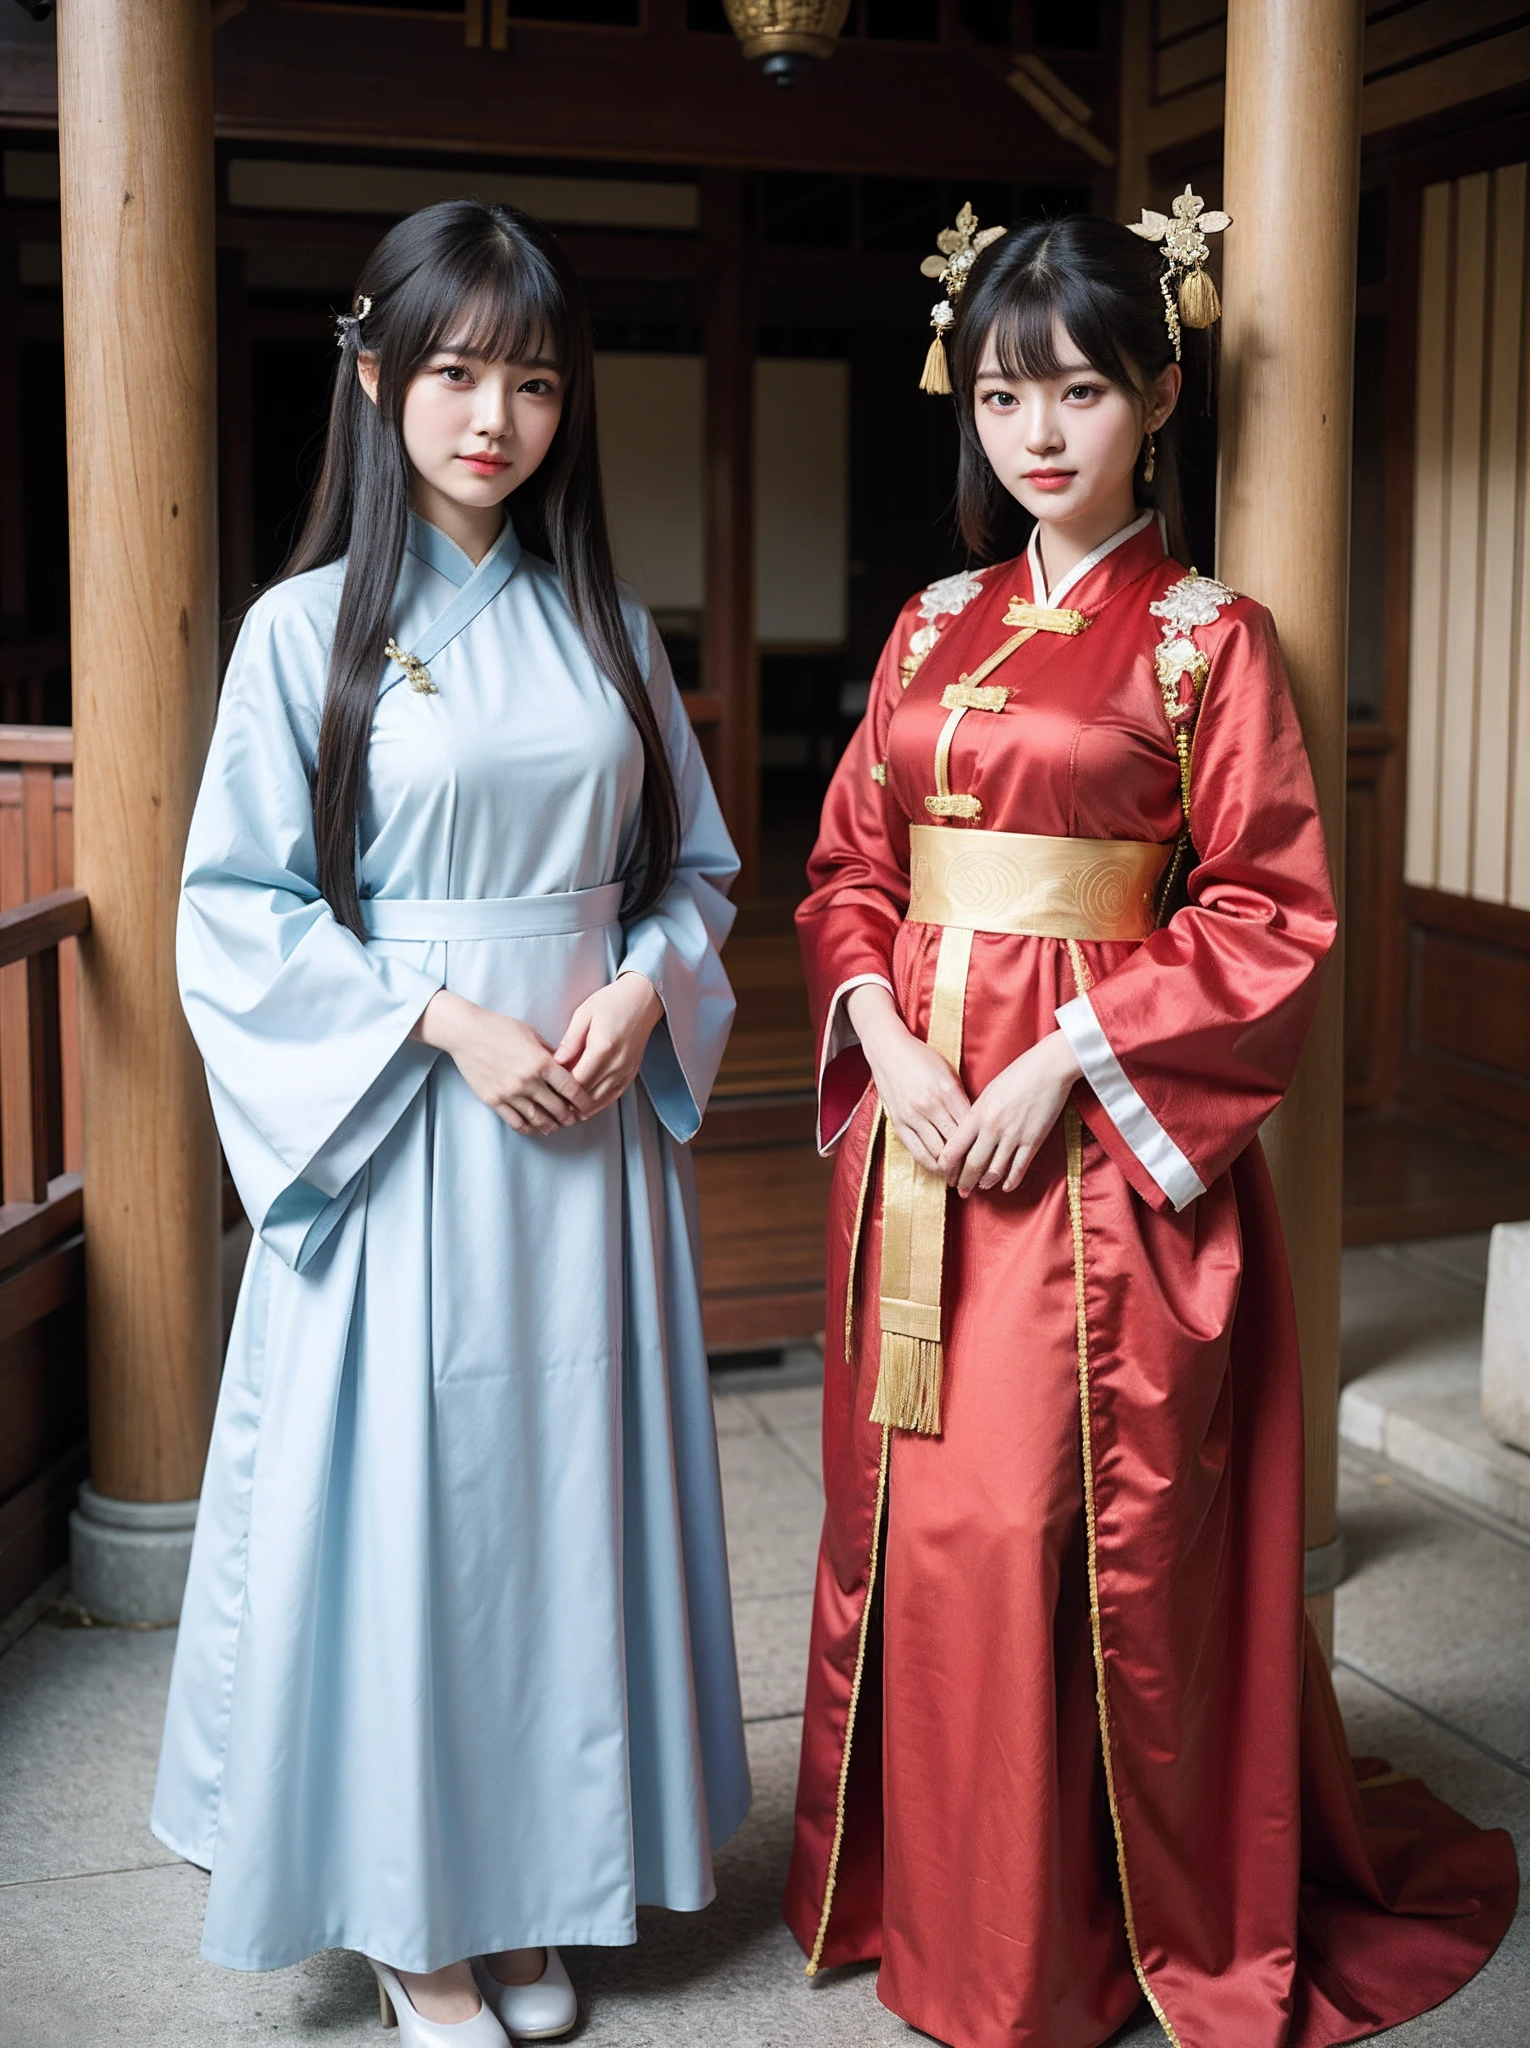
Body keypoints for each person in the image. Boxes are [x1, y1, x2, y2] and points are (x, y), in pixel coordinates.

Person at [782, 198, 1517, 2048]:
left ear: (1161, 398)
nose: (1040, 435)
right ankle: (924, 1896)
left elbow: (1268, 909)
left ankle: (1067, 1936)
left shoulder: (1210, 643)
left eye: (1085, 393)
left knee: (1060, 1526)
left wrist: (1061, 1065)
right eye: (1010, 396)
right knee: (921, 1522)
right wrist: (884, 1023)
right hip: (921, 1136)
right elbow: (848, 870)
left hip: (1095, 1152)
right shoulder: (929, 624)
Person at [151, 199, 750, 2046]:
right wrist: (438, 1019)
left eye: (535, 380)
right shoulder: (302, 635)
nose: (495, 415)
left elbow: (694, 871)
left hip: (582, 1141)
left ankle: (544, 1880)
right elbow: (237, 907)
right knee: (416, 1520)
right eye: (458, 371)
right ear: (378, 375)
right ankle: (418, 1910)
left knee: (564, 1516)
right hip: (410, 1129)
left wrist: (648, 982)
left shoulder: (606, 626)